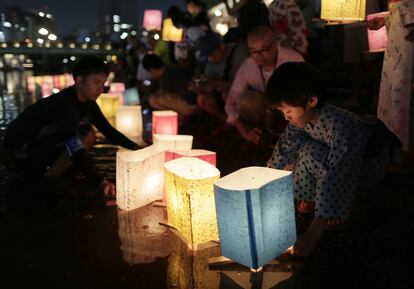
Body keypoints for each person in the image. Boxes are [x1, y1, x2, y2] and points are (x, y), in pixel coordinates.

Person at [266, 62, 400, 256]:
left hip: (365, 164)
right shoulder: (301, 120)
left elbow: (338, 170)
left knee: (325, 164)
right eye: (282, 112)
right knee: (304, 150)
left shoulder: (341, 125)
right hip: (334, 160)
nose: (286, 118)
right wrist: (264, 180)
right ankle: (312, 198)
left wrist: (313, 234)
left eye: (287, 111)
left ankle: (335, 211)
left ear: (311, 101)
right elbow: (284, 148)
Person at [2, 55, 141, 198]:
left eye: (103, 83)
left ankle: (56, 170)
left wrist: (136, 148)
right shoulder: (66, 105)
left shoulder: (87, 102)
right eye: (96, 82)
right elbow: (73, 144)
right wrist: (100, 181)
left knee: (84, 134)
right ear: (79, 80)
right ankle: (48, 176)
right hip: (19, 155)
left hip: (33, 146)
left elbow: (108, 131)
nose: (101, 89)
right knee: (84, 135)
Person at [225, 25, 303, 144]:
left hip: (291, 106)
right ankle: (261, 133)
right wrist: (243, 130)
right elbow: (231, 101)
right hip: (265, 109)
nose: (259, 56)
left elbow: (307, 94)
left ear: (275, 43)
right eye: (253, 51)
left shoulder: (293, 60)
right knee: (245, 100)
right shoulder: (248, 65)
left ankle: (291, 133)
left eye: (264, 49)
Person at [368, 0, 414, 164]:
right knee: (395, 98)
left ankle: (407, 153)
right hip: (397, 57)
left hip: (407, 60)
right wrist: (385, 20)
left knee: (406, 101)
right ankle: (400, 149)